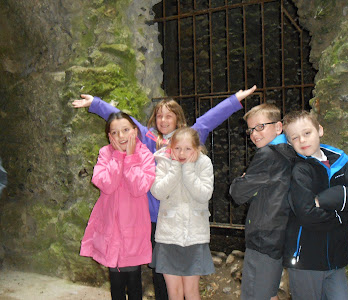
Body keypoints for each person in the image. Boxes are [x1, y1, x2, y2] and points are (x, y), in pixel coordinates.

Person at [72, 85, 256, 299]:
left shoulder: (188, 139)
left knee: (178, 274)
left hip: (178, 217)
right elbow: (124, 123)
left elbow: (209, 119)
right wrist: (96, 104)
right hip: (151, 217)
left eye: (169, 116)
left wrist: (235, 100)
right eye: (159, 116)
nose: (163, 120)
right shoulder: (148, 138)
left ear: (178, 118)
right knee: (160, 271)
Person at [282, 110, 348, 300]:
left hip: (336, 259)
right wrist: (345, 214)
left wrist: (328, 198)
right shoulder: (299, 171)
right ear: (289, 143)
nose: (302, 141)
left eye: (307, 133)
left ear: (319, 130)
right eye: (295, 137)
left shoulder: (340, 162)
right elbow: (308, 216)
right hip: (306, 261)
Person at [80, 112, 155, 300]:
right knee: (116, 281)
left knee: (134, 281)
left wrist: (130, 158)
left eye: (125, 130)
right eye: (115, 132)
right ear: (109, 137)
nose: (121, 136)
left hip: (133, 225)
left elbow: (139, 188)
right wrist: (117, 158)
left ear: (135, 131)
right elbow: (107, 184)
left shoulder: (144, 154)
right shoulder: (105, 154)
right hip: (111, 226)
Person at [229, 103, 296, 300]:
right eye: (250, 130)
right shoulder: (289, 152)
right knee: (268, 292)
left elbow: (238, 193)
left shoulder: (268, 154)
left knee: (255, 294)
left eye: (260, 127)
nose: (254, 134)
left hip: (264, 237)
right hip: (278, 234)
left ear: (278, 127)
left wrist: (241, 180)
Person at [150, 127, 214, 300]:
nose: (182, 153)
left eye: (188, 149)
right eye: (177, 148)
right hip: (168, 236)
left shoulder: (204, 163)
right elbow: (158, 191)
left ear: (197, 148)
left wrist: (188, 170)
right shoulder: (163, 162)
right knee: (174, 293)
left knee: (192, 292)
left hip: (194, 237)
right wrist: (176, 167)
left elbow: (204, 194)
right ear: (171, 147)